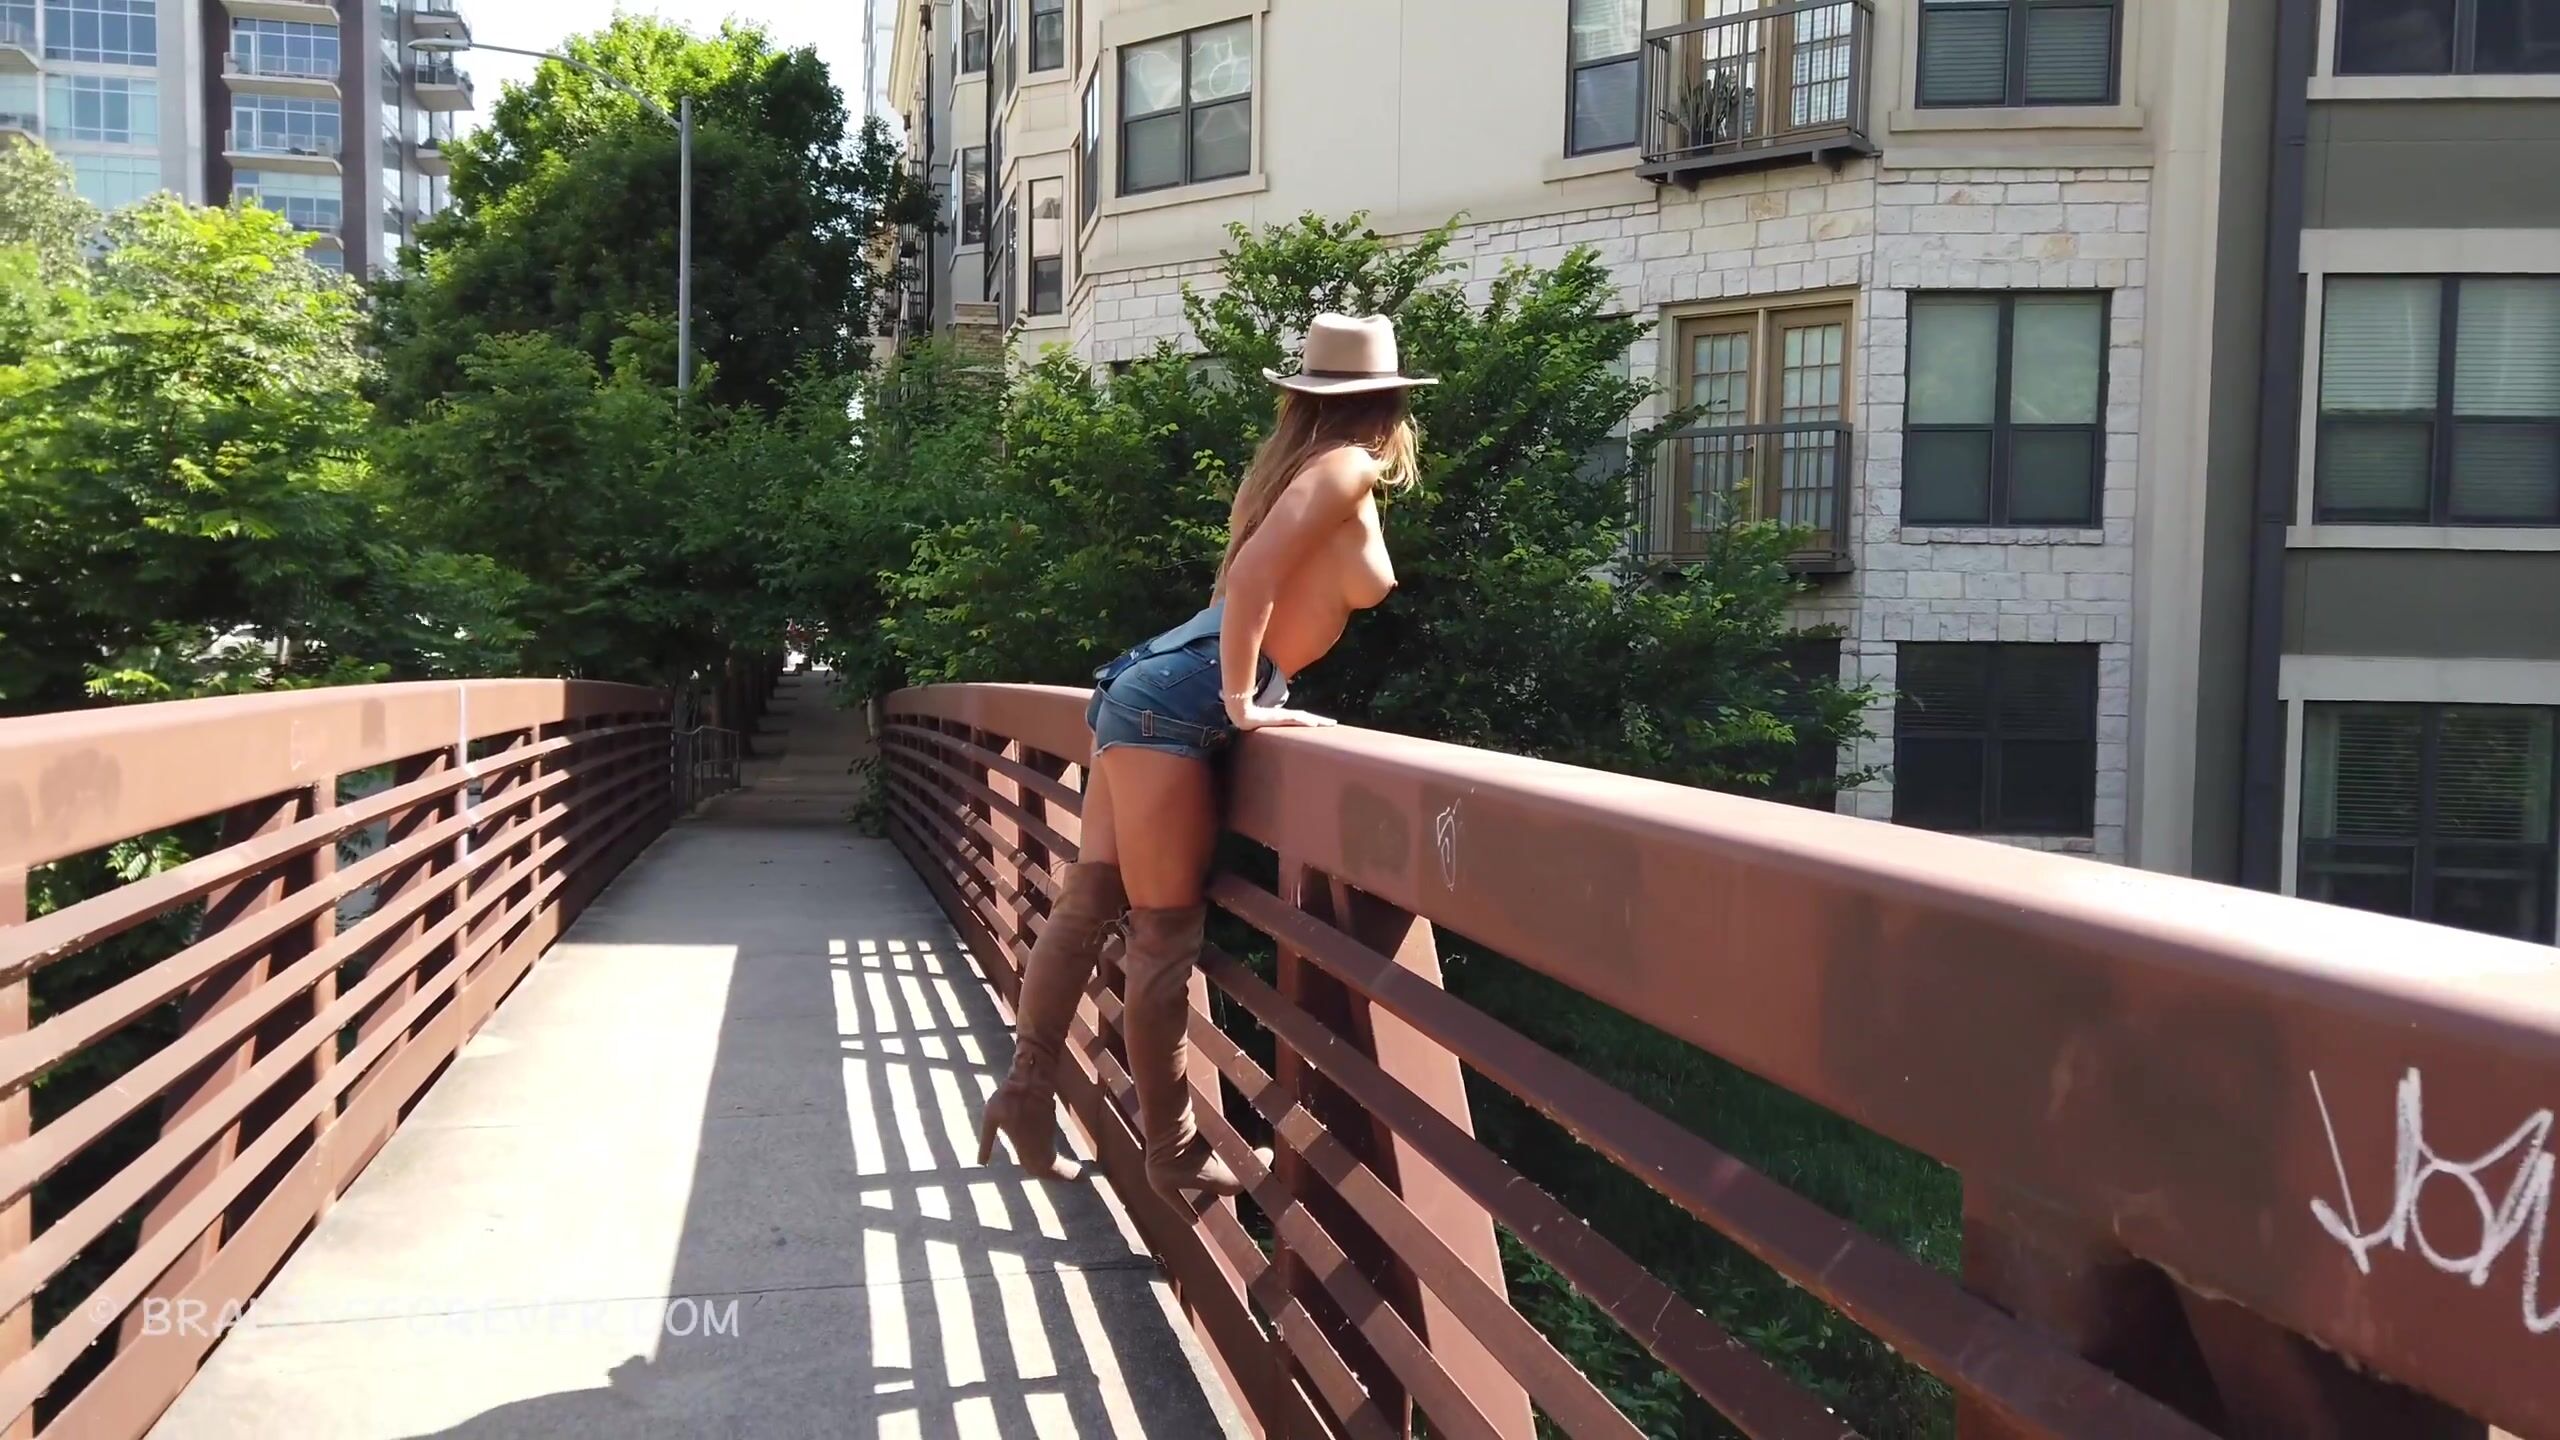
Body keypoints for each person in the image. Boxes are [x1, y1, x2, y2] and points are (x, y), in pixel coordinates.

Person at [977, 313, 1432, 1200]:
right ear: (1389, 404)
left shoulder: (1295, 468)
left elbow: (1256, 581)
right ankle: (1174, 1150)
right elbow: (1254, 577)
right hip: (1183, 699)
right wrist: (1243, 703)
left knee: (1091, 897)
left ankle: (1026, 1095)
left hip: (1152, 683)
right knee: (1163, 933)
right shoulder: (1347, 466)